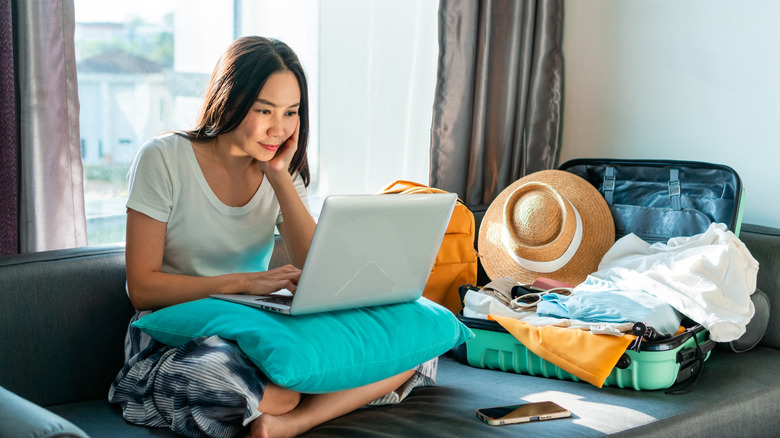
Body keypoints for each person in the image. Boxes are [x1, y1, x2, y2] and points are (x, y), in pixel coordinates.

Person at [108, 36, 437, 438]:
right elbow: (142, 288)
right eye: (264, 110)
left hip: (255, 325)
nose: (278, 129)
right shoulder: (162, 158)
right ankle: (294, 402)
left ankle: (293, 422)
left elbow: (319, 268)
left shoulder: (281, 168)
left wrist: (279, 177)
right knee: (267, 389)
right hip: (173, 334)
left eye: (291, 113)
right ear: (229, 100)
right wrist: (245, 283)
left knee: (416, 345)